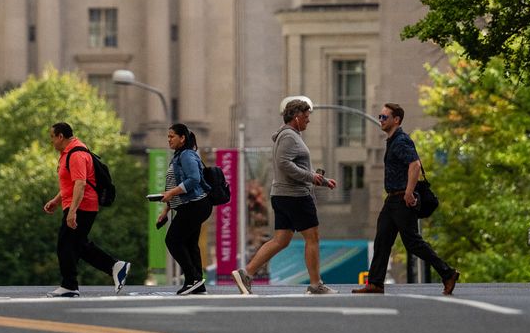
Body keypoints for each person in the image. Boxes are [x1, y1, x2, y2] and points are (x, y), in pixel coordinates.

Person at [233, 97, 338, 295]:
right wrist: (310, 176)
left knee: (281, 239)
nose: (308, 120)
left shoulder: (290, 135)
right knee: (313, 238)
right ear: (296, 117)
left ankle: (246, 273)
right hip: (294, 195)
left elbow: (296, 165)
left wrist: (322, 180)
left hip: (284, 194)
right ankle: (316, 285)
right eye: (306, 117)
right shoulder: (289, 136)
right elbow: (284, 164)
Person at [353, 102, 460, 296]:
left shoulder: (401, 140)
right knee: (382, 240)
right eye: (380, 116)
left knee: (412, 242)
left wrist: (409, 192)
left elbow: (415, 165)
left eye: (384, 117)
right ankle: (376, 283)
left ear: (396, 120)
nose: (381, 120)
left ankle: (448, 273)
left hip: (402, 199)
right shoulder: (392, 140)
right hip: (392, 199)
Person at [40, 122, 130, 297]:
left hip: (82, 205)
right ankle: (115, 266)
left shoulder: (76, 154)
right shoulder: (68, 153)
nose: (51, 141)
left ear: (60, 136)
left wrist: (72, 211)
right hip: (76, 204)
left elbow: (80, 184)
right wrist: (56, 201)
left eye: (52, 137)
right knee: (78, 245)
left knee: (65, 244)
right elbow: (70, 184)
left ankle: (70, 285)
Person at [156, 123, 212, 295]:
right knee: (189, 243)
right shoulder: (179, 155)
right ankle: (197, 283)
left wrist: (172, 192)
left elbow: (193, 179)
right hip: (189, 206)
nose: (169, 140)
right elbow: (173, 184)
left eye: (172, 136)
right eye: (168, 136)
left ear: (182, 138)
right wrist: (166, 210)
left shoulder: (187, 155)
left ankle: (193, 277)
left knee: (173, 240)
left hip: (195, 204)